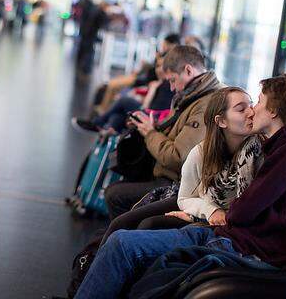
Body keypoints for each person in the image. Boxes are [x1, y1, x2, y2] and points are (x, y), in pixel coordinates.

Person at [75, 73, 286, 299]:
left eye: (258, 101)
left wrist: (213, 212)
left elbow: (241, 211)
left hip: (240, 247)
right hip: (230, 238)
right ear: (221, 122)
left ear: (273, 110)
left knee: (124, 244)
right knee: (122, 237)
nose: (253, 109)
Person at [99, 86, 263, 244]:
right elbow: (185, 198)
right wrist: (208, 211)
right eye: (241, 109)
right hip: (197, 201)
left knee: (148, 225)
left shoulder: (258, 152)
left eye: (251, 105)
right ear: (221, 122)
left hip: (211, 213)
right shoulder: (201, 152)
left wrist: (200, 214)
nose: (251, 112)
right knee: (122, 223)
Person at [104, 45, 222, 219]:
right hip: (166, 175)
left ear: (188, 70)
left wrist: (150, 133)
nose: (172, 88)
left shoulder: (205, 104)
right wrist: (152, 124)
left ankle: (126, 238)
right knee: (119, 180)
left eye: (173, 80)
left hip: (176, 184)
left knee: (115, 195)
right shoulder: (191, 96)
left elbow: (178, 157)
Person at [76, 0, 108, 77]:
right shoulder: (99, 12)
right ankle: (86, 69)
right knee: (89, 52)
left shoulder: (93, 10)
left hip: (86, 33)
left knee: (85, 50)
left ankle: (82, 67)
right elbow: (103, 23)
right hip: (90, 34)